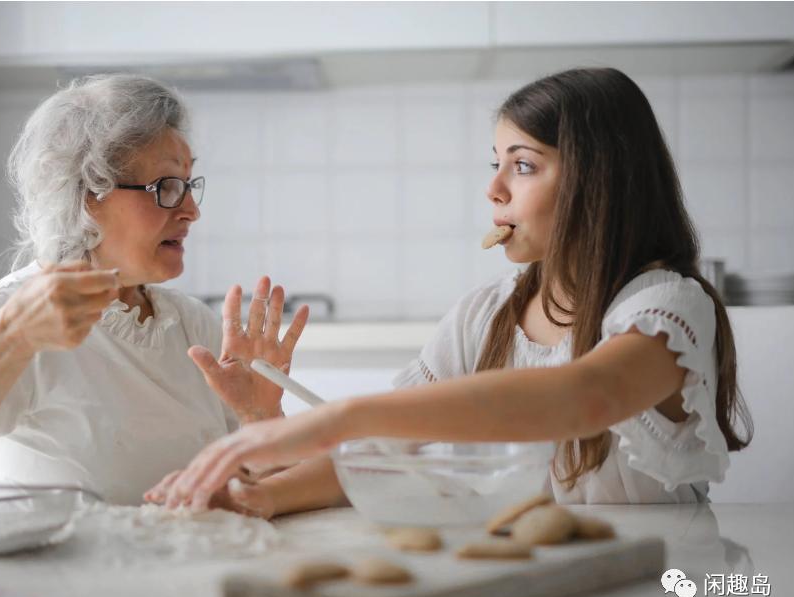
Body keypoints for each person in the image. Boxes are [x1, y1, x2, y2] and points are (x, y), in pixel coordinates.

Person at [149, 67, 753, 515]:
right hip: (542, 582)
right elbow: (388, 451)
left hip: (670, 583)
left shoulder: (667, 307)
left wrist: (344, 414)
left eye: (522, 165)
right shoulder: (484, 315)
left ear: (599, 180)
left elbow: (588, 396)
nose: (493, 189)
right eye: (495, 162)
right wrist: (261, 495)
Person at [0, 75, 308, 504]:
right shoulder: (5, 315)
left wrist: (261, 418)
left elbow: (261, 494)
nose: (192, 210)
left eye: (189, 185)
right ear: (85, 195)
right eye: (166, 187)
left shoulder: (193, 325)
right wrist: (7, 339)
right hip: (56, 571)